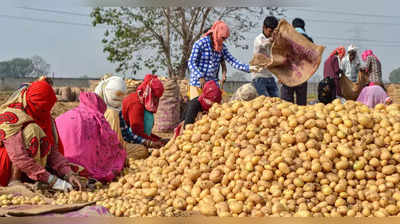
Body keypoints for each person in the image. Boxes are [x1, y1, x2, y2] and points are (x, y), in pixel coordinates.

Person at [0, 80, 83, 191]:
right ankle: (15, 180)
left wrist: (68, 173)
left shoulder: (45, 118)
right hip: (7, 162)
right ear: (33, 102)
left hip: (31, 167)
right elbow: (18, 156)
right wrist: (53, 181)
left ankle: (32, 178)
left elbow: (52, 150)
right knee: (32, 130)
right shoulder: (11, 117)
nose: (45, 112)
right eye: (43, 108)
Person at [55, 92, 127, 182]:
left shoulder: (65, 115)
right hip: (81, 165)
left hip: (58, 161)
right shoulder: (96, 117)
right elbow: (110, 140)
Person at [188, 20, 251, 100]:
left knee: (213, 110)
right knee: (195, 108)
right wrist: (200, 76)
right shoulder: (200, 43)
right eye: (222, 38)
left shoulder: (222, 48)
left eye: (225, 39)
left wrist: (249, 68)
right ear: (216, 33)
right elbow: (191, 62)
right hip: (197, 84)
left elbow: (232, 61)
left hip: (212, 85)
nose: (223, 41)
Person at [121, 74, 168, 149]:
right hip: (129, 139)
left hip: (140, 137)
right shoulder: (135, 104)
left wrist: (159, 139)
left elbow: (143, 131)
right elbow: (137, 132)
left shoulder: (142, 101)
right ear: (148, 93)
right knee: (142, 151)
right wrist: (153, 142)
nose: (156, 101)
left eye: (158, 98)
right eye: (155, 97)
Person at [280, 18, 313, 105]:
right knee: (301, 104)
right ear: (303, 27)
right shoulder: (309, 40)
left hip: (289, 74)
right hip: (302, 75)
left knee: (286, 103)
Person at [94, 76, 130, 149]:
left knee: (141, 149)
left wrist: (146, 142)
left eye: (119, 100)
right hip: (104, 148)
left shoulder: (118, 110)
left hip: (118, 144)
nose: (117, 103)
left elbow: (126, 132)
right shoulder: (97, 107)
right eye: (115, 99)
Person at [251, 16, 280, 98]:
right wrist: (272, 40)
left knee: (276, 99)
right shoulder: (258, 39)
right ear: (264, 27)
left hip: (269, 76)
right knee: (264, 101)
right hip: (259, 76)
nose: (271, 34)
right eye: (270, 31)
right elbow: (262, 44)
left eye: (273, 32)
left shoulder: (274, 40)